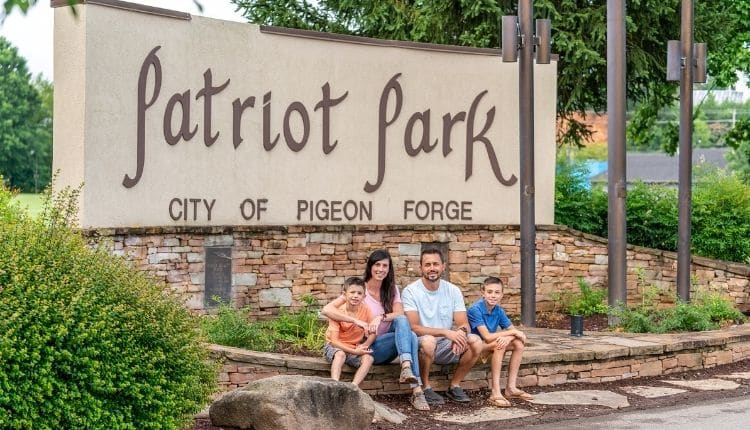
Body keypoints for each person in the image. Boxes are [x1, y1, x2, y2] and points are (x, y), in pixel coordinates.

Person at [323, 249, 430, 411]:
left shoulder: (392, 289)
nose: (381, 269)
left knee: (403, 323)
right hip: (369, 346)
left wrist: (380, 317)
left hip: (388, 344)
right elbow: (327, 310)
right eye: (377, 265)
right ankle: (417, 390)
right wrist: (355, 321)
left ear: (389, 268)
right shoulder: (359, 290)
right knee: (412, 337)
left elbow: (400, 314)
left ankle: (407, 369)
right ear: (370, 267)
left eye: (385, 265)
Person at [402, 248, 483, 406]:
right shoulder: (411, 291)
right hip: (421, 344)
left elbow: (464, 323)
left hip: (446, 345)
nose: (432, 268)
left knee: (476, 341)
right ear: (421, 268)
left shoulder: (453, 290)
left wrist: (459, 334)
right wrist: (446, 333)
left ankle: (454, 386)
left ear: (443, 266)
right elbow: (413, 327)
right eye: (427, 264)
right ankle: (426, 388)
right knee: (429, 341)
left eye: (435, 264)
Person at [467, 276, 534, 407]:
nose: (493, 296)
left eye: (497, 292)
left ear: (502, 294)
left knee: (518, 344)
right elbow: (486, 336)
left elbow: (513, 331)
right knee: (500, 344)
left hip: (488, 344)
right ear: (483, 293)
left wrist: (509, 336)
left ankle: (511, 388)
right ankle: (495, 392)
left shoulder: (498, 310)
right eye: (489, 292)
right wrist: (511, 333)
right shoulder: (475, 309)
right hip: (475, 347)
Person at [323, 276, 376, 386]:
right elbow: (334, 341)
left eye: (359, 293)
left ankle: (353, 387)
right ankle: (335, 385)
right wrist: (355, 352)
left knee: (368, 359)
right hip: (335, 346)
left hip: (354, 346)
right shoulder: (337, 312)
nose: (355, 296)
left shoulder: (366, 310)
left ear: (364, 296)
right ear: (344, 294)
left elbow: (373, 332)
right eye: (352, 292)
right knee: (340, 354)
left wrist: (365, 345)